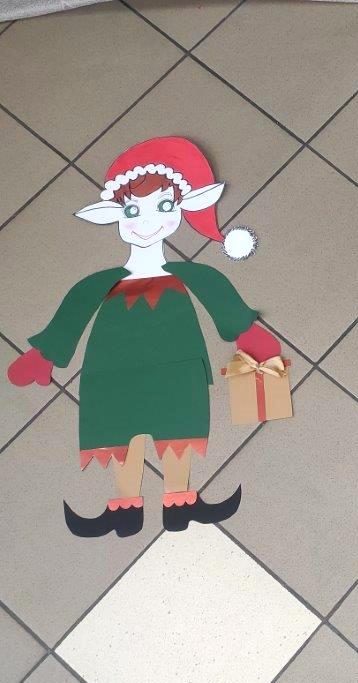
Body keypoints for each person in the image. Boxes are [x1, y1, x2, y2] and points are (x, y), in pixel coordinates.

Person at [7, 137, 280, 537]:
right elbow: (76, 309)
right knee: (121, 424)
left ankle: (178, 503)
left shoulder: (189, 276)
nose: (148, 221)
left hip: (175, 365)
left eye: (164, 207)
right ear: (115, 215)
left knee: (178, 422)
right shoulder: (102, 284)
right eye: (133, 210)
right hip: (114, 368)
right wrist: (44, 354)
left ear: (182, 209)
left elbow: (216, 294)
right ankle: (125, 509)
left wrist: (245, 331)